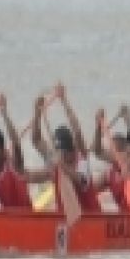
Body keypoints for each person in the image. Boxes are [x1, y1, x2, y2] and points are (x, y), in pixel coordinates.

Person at [31, 84, 99, 214]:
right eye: (58, 152)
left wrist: (64, 100)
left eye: (62, 152)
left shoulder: (82, 160)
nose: (59, 155)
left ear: (71, 152)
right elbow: (36, 140)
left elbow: (77, 132)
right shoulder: (56, 157)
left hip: (90, 220)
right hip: (64, 221)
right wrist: (37, 112)